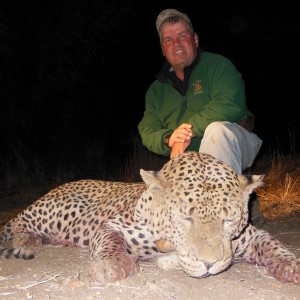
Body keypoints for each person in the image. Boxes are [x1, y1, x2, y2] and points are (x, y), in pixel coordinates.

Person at [138, 9, 264, 226]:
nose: (175, 43)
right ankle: (243, 199)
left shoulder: (218, 66)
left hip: (235, 142)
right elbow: (147, 130)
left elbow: (230, 104)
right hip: (187, 163)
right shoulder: (155, 90)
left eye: (182, 36)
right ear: (162, 48)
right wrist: (170, 139)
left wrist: (187, 129)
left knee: (217, 132)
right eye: (168, 39)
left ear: (194, 39)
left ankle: (225, 221)